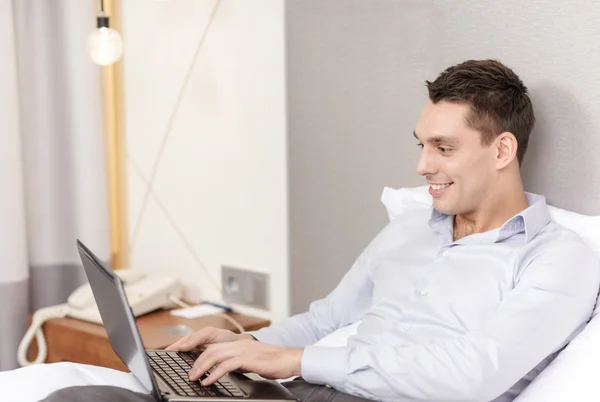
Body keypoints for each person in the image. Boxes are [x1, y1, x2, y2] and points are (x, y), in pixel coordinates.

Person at [41, 59, 600, 402]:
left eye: (443, 148)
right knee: (74, 397)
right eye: (421, 144)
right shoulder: (411, 229)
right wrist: (249, 345)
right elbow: (329, 319)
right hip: (311, 391)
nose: (421, 166)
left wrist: (298, 363)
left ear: (502, 149)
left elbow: (477, 374)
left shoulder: (559, 258)